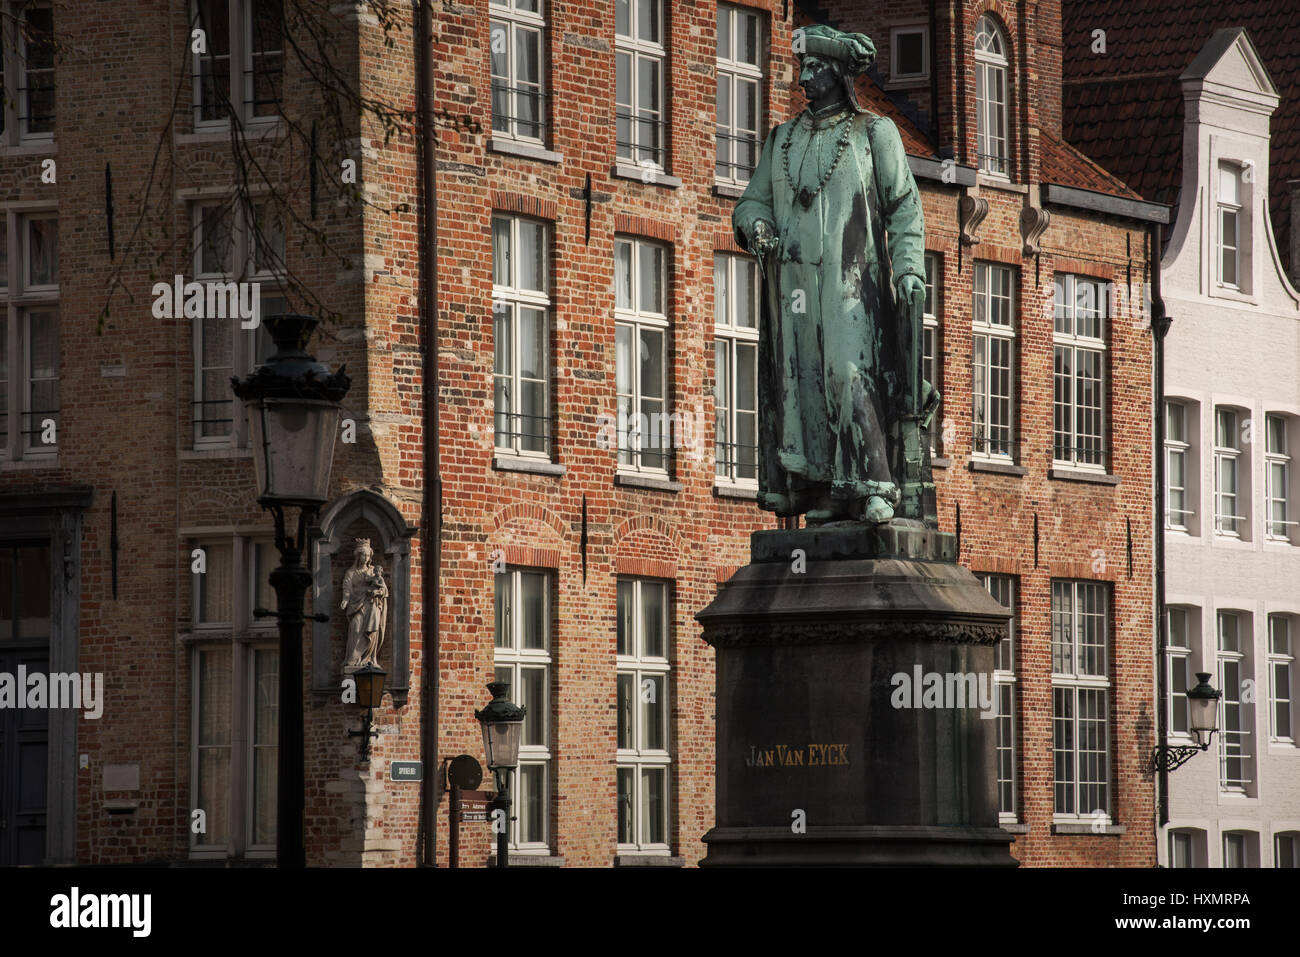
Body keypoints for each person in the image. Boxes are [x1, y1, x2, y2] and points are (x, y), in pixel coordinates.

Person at [733, 24, 930, 524]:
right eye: (803, 67)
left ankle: (875, 484)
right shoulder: (780, 141)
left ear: (840, 74)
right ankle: (825, 492)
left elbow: (906, 210)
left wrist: (909, 271)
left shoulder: (874, 134)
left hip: (852, 285)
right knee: (805, 384)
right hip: (796, 289)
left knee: (848, 372)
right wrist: (756, 225)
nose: (804, 77)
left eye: (815, 68)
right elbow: (752, 203)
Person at [341, 537, 387, 671]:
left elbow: (384, 589)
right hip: (356, 605)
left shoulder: (374, 571)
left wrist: (377, 592)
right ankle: (353, 660)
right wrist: (345, 599)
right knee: (355, 628)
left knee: (372, 631)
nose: (365, 558)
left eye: (368, 555)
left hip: (372, 605)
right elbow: (347, 588)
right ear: (358, 556)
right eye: (363, 555)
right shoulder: (351, 572)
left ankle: (369, 659)